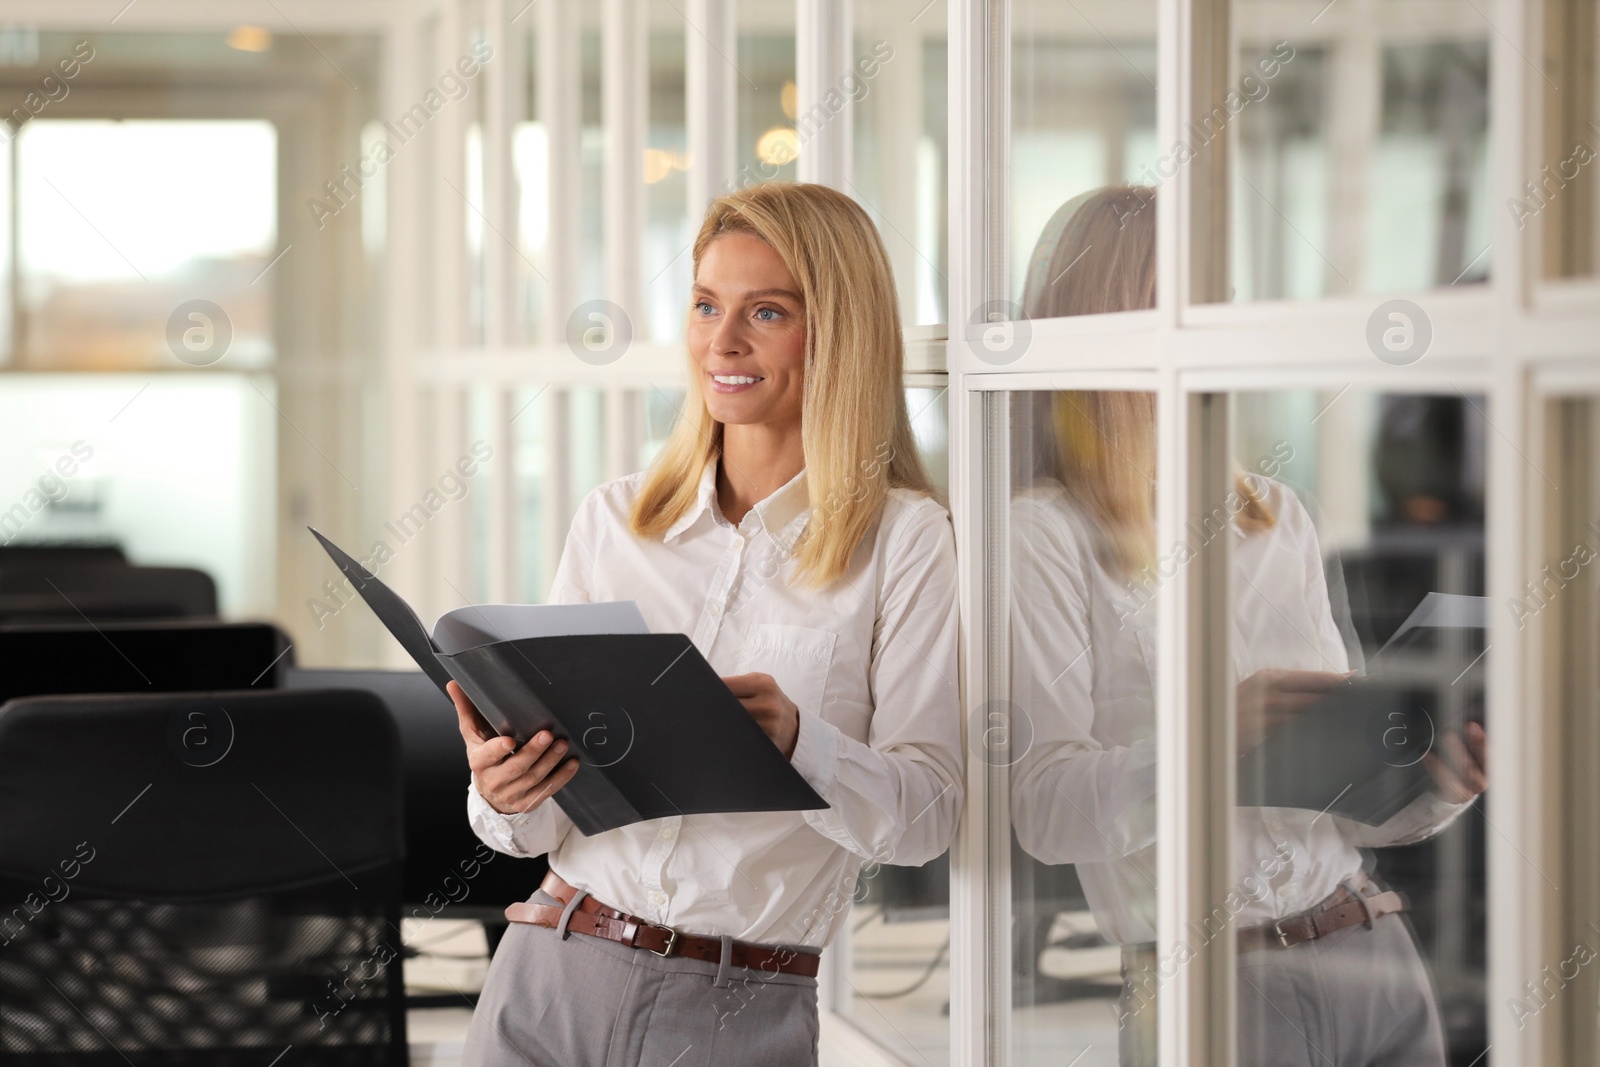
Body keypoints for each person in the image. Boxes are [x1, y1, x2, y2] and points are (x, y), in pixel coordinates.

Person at [448, 181, 963, 1067]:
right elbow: (538, 829)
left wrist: (800, 741)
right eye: (703, 305)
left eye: (766, 312)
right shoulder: (615, 522)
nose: (721, 342)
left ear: (839, 331)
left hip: (737, 1009)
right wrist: (502, 791)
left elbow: (927, 820)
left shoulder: (907, 540)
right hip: (548, 970)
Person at [1007, 185, 1490, 1067]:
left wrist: (1437, 784)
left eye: (1219, 297)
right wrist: (1210, 737)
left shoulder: (1276, 516)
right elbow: (1042, 809)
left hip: (1375, 952)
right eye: (1183, 298)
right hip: (1213, 997)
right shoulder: (1044, 533)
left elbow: (1353, 814)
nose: (1217, 323)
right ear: (1106, 319)